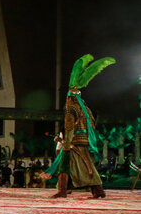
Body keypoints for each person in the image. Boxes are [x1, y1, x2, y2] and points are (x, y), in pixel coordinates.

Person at [44, 54, 115, 198]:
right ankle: (98, 190)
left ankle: (63, 190)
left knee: (64, 165)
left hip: (74, 142)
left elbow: (69, 127)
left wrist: (67, 143)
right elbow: (92, 125)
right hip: (85, 140)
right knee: (87, 166)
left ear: (69, 97)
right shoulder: (85, 108)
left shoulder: (71, 109)